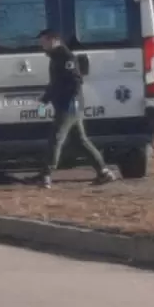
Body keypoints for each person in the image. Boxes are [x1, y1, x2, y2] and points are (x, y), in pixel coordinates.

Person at [33, 29, 116, 189]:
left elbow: (75, 81)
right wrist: (45, 99)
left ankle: (46, 175)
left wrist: (66, 99)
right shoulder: (55, 58)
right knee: (80, 140)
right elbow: (55, 83)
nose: (41, 45)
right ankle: (104, 172)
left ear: (54, 40)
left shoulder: (66, 57)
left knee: (56, 139)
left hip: (69, 106)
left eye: (43, 41)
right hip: (67, 105)